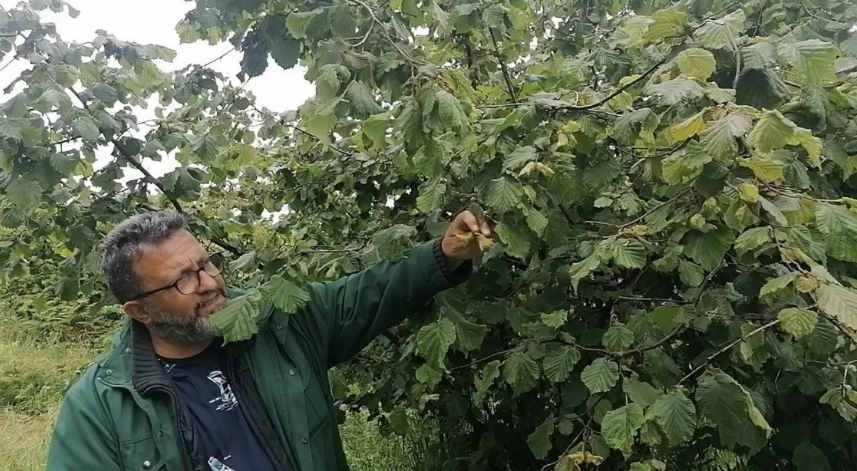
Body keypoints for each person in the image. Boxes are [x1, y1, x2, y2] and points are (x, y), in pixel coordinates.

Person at [46, 209, 492, 471]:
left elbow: (368, 294)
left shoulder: (278, 321)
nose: (209, 283)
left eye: (206, 263)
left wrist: (444, 255)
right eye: (183, 279)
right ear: (139, 311)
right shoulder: (101, 406)